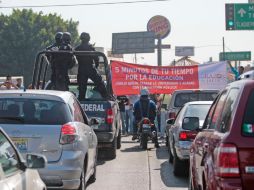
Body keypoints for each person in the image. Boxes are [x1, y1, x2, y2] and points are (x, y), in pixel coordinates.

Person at [75, 32, 108, 100]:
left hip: (81, 69)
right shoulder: (90, 47)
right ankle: (106, 97)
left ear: (81, 38)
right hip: (90, 68)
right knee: (100, 83)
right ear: (88, 39)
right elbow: (96, 58)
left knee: (82, 87)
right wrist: (96, 66)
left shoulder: (77, 48)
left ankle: (81, 100)